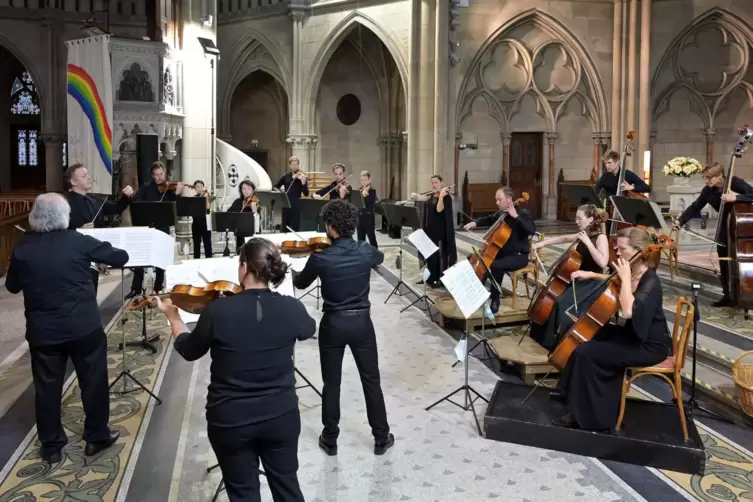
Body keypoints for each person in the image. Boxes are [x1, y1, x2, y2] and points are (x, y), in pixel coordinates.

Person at [155, 238, 315, 502]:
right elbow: (308, 329)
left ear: (243, 269)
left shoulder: (218, 311)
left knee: (242, 492)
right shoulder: (291, 307)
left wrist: (174, 317)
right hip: (280, 417)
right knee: (287, 488)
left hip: (230, 420)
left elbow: (189, 349)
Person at [5, 193, 128, 464]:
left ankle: (51, 445)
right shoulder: (77, 241)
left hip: (44, 332)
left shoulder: (23, 248)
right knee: (93, 383)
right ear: (65, 216)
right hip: (83, 328)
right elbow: (121, 256)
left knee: (47, 388)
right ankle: (96, 437)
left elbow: (12, 286)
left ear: (34, 217)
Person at [292, 199, 394, 456]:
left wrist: (293, 268)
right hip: (361, 322)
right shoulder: (366, 251)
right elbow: (379, 257)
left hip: (333, 323)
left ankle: (330, 438)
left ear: (329, 227)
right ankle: (381, 437)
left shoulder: (320, 258)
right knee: (371, 380)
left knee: (331, 382)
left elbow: (302, 283)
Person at [553, 226, 670, 431]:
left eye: (622, 249)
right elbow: (610, 279)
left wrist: (625, 279)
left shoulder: (650, 281)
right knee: (594, 334)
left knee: (586, 352)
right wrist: (590, 274)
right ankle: (574, 395)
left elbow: (628, 312)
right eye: (616, 248)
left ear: (638, 251)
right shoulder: (633, 271)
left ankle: (591, 416)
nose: (616, 253)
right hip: (633, 335)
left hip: (648, 346)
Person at [529, 204, 610, 350]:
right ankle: (541, 338)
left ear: (591, 219)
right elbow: (564, 238)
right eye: (576, 218)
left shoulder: (600, 237)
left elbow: (603, 262)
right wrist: (541, 243)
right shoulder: (584, 233)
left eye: (580, 218)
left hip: (592, 281)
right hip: (575, 278)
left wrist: (587, 244)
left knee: (561, 302)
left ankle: (557, 343)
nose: (576, 221)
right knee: (552, 299)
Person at [673, 161, 753, 307]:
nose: (707, 181)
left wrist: (736, 198)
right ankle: (728, 295)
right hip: (724, 225)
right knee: (724, 260)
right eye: (705, 178)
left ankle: (744, 292)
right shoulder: (707, 191)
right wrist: (680, 221)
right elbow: (695, 207)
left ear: (720, 176)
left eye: (710, 178)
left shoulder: (734, 183)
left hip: (741, 224)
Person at [464, 187, 535, 313]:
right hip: (503, 253)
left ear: (509, 199)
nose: (497, 202)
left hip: (518, 256)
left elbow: (531, 229)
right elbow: (489, 218)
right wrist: (474, 223)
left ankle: (495, 299)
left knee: (496, 266)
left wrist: (516, 217)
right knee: (474, 257)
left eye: (499, 199)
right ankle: (477, 292)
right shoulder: (502, 213)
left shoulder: (523, 212)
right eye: (496, 199)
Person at [64, 163, 134, 293]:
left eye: (88, 174)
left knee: (92, 293)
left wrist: (126, 197)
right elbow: (60, 232)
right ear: (73, 181)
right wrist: (79, 230)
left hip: (94, 257)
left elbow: (115, 208)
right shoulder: (65, 204)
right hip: (75, 261)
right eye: (84, 175)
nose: (89, 177)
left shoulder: (94, 200)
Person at [127, 161, 184, 298]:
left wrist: (177, 194)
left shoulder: (170, 189)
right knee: (141, 259)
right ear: (152, 176)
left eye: (161, 174)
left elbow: (178, 209)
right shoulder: (146, 187)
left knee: (161, 258)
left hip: (162, 227)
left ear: (164, 173)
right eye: (156, 175)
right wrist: (131, 197)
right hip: (147, 227)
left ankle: (159, 286)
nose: (160, 177)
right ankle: (136, 288)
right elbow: (136, 202)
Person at [411, 175, 457, 287]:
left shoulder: (446, 197)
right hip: (430, 230)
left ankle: (438, 278)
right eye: (432, 183)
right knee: (430, 255)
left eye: (436, 182)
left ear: (441, 183)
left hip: (440, 231)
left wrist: (441, 196)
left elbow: (439, 209)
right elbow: (424, 199)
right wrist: (416, 196)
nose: (434, 185)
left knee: (439, 256)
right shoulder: (432, 195)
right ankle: (430, 277)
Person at [273, 156, 309, 231]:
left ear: (298, 165)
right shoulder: (286, 176)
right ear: (289, 165)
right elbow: (275, 187)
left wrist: (303, 183)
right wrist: (281, 193)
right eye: (292, 164)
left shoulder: (302, 176)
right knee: (285, 228)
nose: (294, 166)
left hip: (296, 205)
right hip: (286, 205)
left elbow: (306, 193)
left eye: (296, 164)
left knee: (295, 228)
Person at [228, 180, 259, 254]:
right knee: (239, 253)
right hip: (239, 232)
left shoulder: (254, 201)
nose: (246, 191)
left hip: (250, 233)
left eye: (248, 189)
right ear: (241, 190)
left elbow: (256, 217)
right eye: (244, 189)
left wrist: (254, 208)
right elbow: (229, 212)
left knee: (250, 253)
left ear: (252, 190)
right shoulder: (238, 201)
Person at [191, 180, 213, 259]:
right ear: (195, 189)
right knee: (196, 245)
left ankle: (209, 260)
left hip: (206, 223)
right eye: (197, 187)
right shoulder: (193, 199)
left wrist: (205, 198)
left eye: (201, 186)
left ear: (203, 187)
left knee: (207, 244)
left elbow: (207, 207)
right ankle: (196, 261)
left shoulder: (207, 196)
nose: (199, 188)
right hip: (196, 223)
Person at [357, 170, 378, 249]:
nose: (363, 182)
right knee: (360, 240)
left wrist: (365, 194)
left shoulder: (372, 190)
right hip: (360, 218)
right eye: (361, 180)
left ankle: (375, 255)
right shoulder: (359, 190)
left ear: (369, 180)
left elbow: (369, 202)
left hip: (369, 218)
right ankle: (362, 256)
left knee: (372, 239)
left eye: (365, 180)